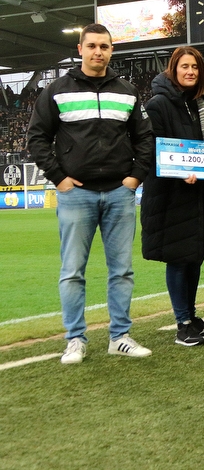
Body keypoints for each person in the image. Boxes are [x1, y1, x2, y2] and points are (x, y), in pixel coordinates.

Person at [26, 23, 154, 363]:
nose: (99, 52)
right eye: (93, 46)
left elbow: (144, 137)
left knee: (122, 270)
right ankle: (75, 339)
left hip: (119, 193)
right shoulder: (56, 89)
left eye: (105, 46)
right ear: (80, 49)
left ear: (112, 51)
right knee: (72, 271)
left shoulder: (127, 91)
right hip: (75, 194)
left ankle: (120, 336)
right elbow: (36, 138)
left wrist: (135, 178)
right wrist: (59, 178)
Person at [141, 47, 204, 346]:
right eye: (184, 66)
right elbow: (152, 148)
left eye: (195, 67)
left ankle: (191, 315)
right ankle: (183, 321)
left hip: (203, 193)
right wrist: (178, 170)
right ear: (173, 69)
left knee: (195, 256)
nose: (190, 71)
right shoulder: (158, 104)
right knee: (179, 258)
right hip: (173, 194)